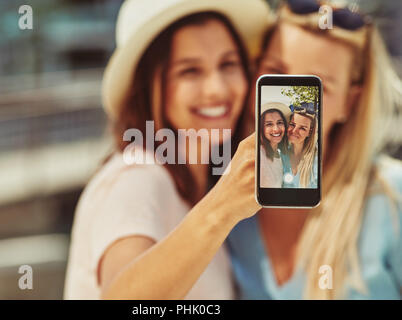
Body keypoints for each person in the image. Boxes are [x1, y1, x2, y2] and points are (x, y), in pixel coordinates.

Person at [64, 0, 271, 299]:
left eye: (228, 64)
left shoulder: (195, 191)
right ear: (150, 85)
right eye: (190, 71)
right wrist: (223, 208)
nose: (217, 88)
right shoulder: (136, 178)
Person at [228, 0, 402, 299]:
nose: (290, 103)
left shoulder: (391, 197)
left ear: (350, 101)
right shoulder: (225, 202)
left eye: (315, 87)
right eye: (275, 72)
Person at [281, 106, 318, 188]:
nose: (294, 131)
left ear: (309, 132)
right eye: (292, 125)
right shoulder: (280, 155)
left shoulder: (317, 158)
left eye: (302, 128)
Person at [260, 102, 289, 188]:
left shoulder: (280, 155)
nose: (276, 129)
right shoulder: (259, 155)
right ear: (261, 128)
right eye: (269, 124)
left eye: (280, 122)